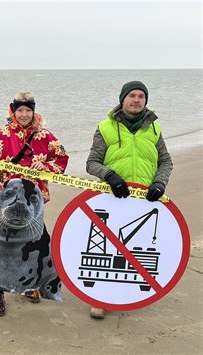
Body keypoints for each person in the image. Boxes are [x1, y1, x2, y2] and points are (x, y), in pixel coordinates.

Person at [0, 92, 69, 316]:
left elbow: (62, 159)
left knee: (32, 244)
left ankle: (29, 285)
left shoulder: (45, 136)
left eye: (28, 110)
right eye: (20, 110)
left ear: (33, 111)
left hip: (34, 201)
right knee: (0, 247)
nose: (24, 115)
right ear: (13, 112)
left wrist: (45, 167)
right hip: (4, 202)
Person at [86, 80, 173, 319]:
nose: (136, 100)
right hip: (111, 198)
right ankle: (99, 299)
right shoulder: (105, 127)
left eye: (141, 96)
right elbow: (92, 163)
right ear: (122, 99)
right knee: (106, 249)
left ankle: (125, 293)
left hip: (144, 199)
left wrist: (159, 183)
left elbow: (166, 161)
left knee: (136, 248)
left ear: (145, 101)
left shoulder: (154, 128)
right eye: (132, 95)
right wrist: (110, 175)